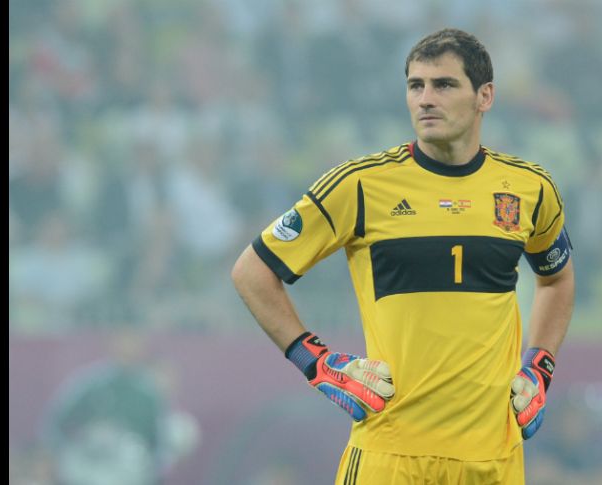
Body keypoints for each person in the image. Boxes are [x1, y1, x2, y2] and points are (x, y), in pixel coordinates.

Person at [232, 28, 574, 485]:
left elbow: (557, 279)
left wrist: (540, 366)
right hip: (390, 457)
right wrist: (315, 361)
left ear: (484, 96)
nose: (425, 99)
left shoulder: (530, 188)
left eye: (444, 85)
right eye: (416, 86)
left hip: (494, 459)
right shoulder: (360, 185)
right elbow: (252, 271)